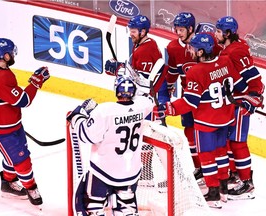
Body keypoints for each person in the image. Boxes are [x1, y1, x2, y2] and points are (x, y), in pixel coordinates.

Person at [155, 33, 249, 208]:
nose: (189, 50)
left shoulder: (197, 71)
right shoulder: (225, 61)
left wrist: (169, 108)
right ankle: (223, 190)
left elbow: (190, 102)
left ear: (200, 52)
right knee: (221, 153)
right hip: (226, 118)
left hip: (206, 122)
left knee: (206, 157)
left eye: (192, 48)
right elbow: (239, 85)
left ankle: (213, 193)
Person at [67, 73, 155, 215]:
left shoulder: (104, 111)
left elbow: (86, 135)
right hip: (130, 172)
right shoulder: (143, 106)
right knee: (127, 209)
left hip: (102, 172)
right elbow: (148, 98)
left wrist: (77, 115)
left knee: (93, 207)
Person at [0, 38, 50, 207]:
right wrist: (36, 81)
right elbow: (23, 100)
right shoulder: (1, 77)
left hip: (9, 121)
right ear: (6, 56)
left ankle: (8, 182)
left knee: (14, 156)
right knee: (21, 160)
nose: (14, 54)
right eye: (11, 52)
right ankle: (31, 187)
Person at [105, 14, 169, 187]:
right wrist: (120, 68)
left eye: (133, 31)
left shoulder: (146, 49)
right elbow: (136, 75)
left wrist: (119, 68)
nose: (130, 34)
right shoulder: (141, 44)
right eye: (130, 30)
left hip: (153, 100)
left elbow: (144, 81)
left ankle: (174, 178)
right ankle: (147, 176)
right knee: (146, 136)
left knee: (159, 139)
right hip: (148, 99)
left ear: (143, 31)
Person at [215, 16, 264, 200]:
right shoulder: (237, 46)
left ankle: (247, 183)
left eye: (219, 31)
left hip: (243, 101)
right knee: (230, 140)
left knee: (237, 142)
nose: (216, 34)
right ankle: (236, 174)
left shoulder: (231, 53)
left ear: (228, 33)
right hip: (239, 99)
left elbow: (244, 82)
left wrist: (251, 97)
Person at [166, 12, 202, 180]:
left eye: (181, 29)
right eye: (176, 29)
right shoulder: (173, 47)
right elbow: (173, 71)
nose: (178, 33)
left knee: (207, 133)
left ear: (190, 28)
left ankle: (215, 170)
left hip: (205, 97)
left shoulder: (204, 43)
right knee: (189, 132)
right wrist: (169, 85)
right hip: (188, 94)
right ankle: (199, 167)